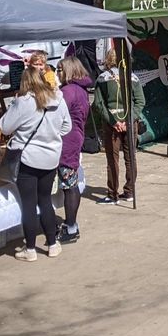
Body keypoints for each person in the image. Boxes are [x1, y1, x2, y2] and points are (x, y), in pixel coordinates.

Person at [0, 64, 72, 261]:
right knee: (45, 200)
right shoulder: (58, 99)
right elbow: (67, 126)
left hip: (29, 158)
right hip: (50, 158)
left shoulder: (23, 102)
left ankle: (30, 249)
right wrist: (52, 137)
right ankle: (52, 244)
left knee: (29, 204)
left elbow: (5, 127)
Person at [93, 46, 145, 205]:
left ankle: (112, 194)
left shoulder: (102, 78)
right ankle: (130, 192)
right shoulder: (133, 78)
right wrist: (128, 121)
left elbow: (98, 104)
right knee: (130, 158)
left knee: (112, 159)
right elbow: (140, 102)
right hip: (130, 123)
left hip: (111, 124)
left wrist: (114, 121)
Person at [56, 56, 92, 244]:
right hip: (75, 137)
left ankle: (71, 227)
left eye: (60, 70)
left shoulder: (68, 91)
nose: (57, 73)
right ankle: (71, 225)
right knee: (71, 182)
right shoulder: (81, 89)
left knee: (69, 184)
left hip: (67, 141)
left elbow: (56, 113)